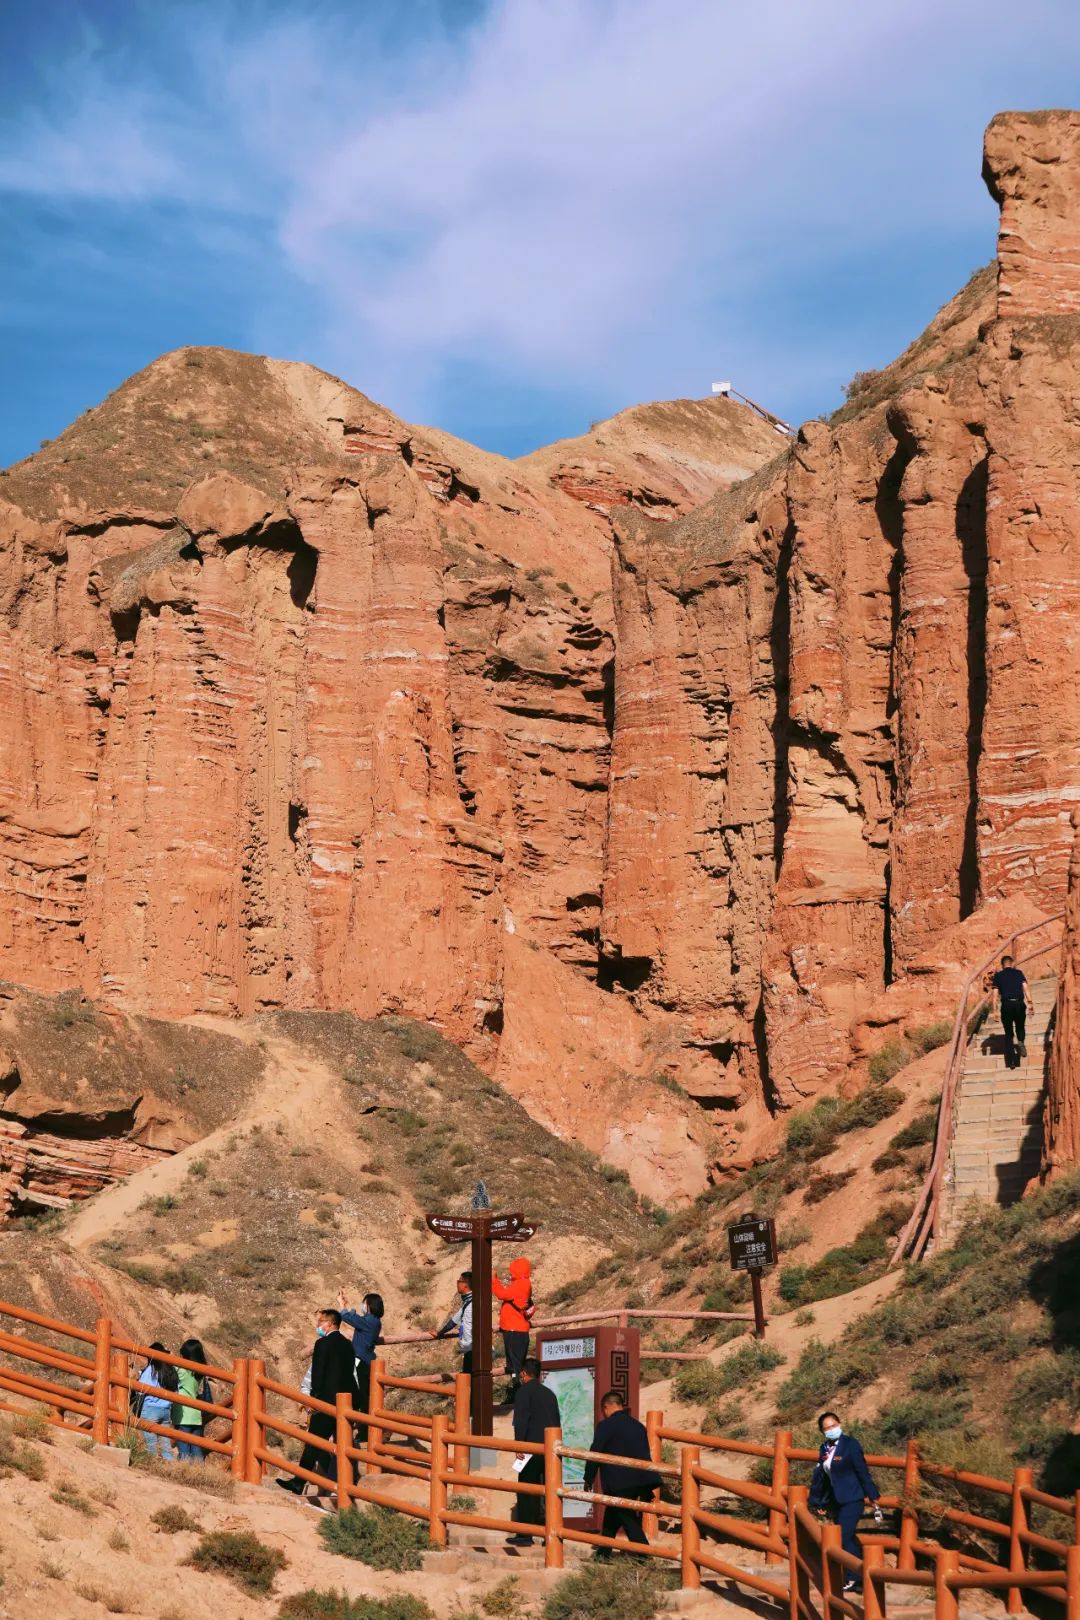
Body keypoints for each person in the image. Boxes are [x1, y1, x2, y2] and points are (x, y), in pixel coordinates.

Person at [277, 1308, 357, 1510]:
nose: (318, 1325)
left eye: (320, 1321)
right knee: (342, 1445)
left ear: (329, 1324)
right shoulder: (348, 1345)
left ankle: (299, 1481)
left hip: (326, 1402)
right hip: (346, 1402)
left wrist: (313, 1401)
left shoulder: (322, 1344)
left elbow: (318, 1375)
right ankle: (344, 1487)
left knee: (313, 1442)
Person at [808, 1411, 883, 1592]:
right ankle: (861, 1576)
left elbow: (861, 1471)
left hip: (852, 1498)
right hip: (836, 1500)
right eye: (827, 1428)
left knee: (843, 1536)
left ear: (840, 1423)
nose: (831, 1430)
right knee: (846, 1538)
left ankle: (854, 1577)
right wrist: (819, 1503)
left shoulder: (850, 1444)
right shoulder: (824, 1448)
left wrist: (873, 1496)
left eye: (833, 1426)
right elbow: (822, 1479)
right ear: (822, 1431)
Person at [583, 1390, 661, 1556]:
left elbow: (595, 1452)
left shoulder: (605, 1426)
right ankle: (603, 1554)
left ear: (607, 1407)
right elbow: (644, 1455)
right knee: (611, 1517)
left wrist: (588, 1478)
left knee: (628, 1519)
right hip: (639, 1480)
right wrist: (647, 1485)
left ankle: (644, 1556)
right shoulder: (638, 1426)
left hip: (618, 1482)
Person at [507, 1357, 560, 1547]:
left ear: (523, 1373)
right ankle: (551, 1534)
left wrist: (519, 1445)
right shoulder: (549, 1394)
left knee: (527, 1490)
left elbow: (521, 1421)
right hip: (550, 1450)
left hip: (530, 1448)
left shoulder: (523, 1393)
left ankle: (526, 1534)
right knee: (549, 1492)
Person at [338, 1289, 383, 1447]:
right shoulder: (373, 1321)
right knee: (365, 1398)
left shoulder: (370, 1321)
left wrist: (341, 1305)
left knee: (361, 1399)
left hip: (361, 1363)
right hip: (366, 1362)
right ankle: (364, 1433)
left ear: (369, 1306)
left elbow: (346, 1317)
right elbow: (355, 1318)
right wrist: (347, 1306)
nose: (363, 1306)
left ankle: (362, 1434)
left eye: (364, 1303)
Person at [493, 1256, 534, 1401]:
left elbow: (501, 1294)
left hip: (513, 1329)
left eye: (513, 1271)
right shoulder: (525, 1283)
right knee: (517, 1363)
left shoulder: (520, 1285)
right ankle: (519, 1393)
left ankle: (520, 1395)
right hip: (520, 1329)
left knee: (515, 1365)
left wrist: (494, 1280)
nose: (511, 1274)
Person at [135, 1343, 180, 1461]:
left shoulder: (151, 1370)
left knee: (151, 1442)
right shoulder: (171, 1371)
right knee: (165, 1443)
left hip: (150, 1409)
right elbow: (177, 1391)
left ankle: (152, 1463)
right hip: (166, 1411)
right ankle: (169, 1463)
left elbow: (141, 1389)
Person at [992, 954, 1035, 1065]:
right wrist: (1030, 1003)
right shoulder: (1019, 973)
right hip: (1019, 1004)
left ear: (1002, 965)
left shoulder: (998, 976)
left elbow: (995, 995)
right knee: (1020, 1026)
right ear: (1011, 963)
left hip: (1006, 1006)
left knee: (1008, 1032)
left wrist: (995, 1011)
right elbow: (1025, 988)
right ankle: (1020, 1041)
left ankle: (1011, 1060)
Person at [175, 1337, 212, 1462]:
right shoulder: (199, 1372)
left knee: (184, 1448)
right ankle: (199, 1473)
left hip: (182, 1415)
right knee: (196, 1448)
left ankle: (185, 1473)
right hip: (196, 1415)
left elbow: (169, 1367)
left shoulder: (182, 1370)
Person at [431, 1271, 474, 1376]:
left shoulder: (472, 1303)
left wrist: (440, 1333)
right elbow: (454, 1321)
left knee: (470, 1383)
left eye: (459, 1281)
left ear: (465, 1285)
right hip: (470, 1349)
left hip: (473, 1350)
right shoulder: (469, 1302)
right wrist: (440, 1333)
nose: (457, 1284)